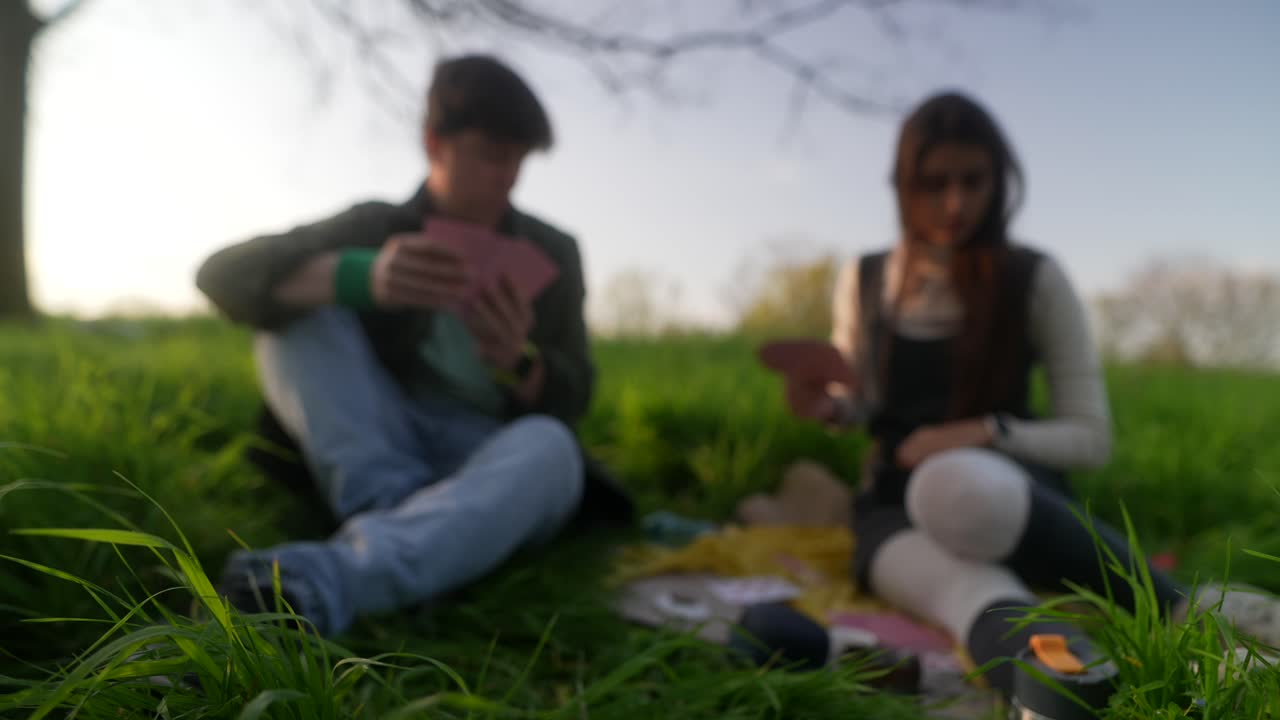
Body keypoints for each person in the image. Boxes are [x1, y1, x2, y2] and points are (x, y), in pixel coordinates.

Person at [781, 91, 1279, 695]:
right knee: (973, 596)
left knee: (953, 485)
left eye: (973, 180)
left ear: (1001, 180)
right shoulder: (863, 281)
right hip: (893, 506)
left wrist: (983, 432)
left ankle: (1179, 608)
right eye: (935, 182)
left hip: (1009, 497)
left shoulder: (1034, 279)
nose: (956, 201)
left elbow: (1091, 438)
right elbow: (863, 403)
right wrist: (829, 407)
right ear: (904, 184)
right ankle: (1073, 694)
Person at [195, 54, 629, 637]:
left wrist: (519, 360)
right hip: (375, 436)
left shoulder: (554, 251)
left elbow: (577, 390)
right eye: (489, 154)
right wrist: (358, 277)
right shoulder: (376, 227)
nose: (506, 176)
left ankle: (322, 576)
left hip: (481, 452)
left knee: (552, 449)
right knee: (298, 313)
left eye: (518, 161)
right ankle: (412, 533)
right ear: (435, 143)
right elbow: (219, 275)